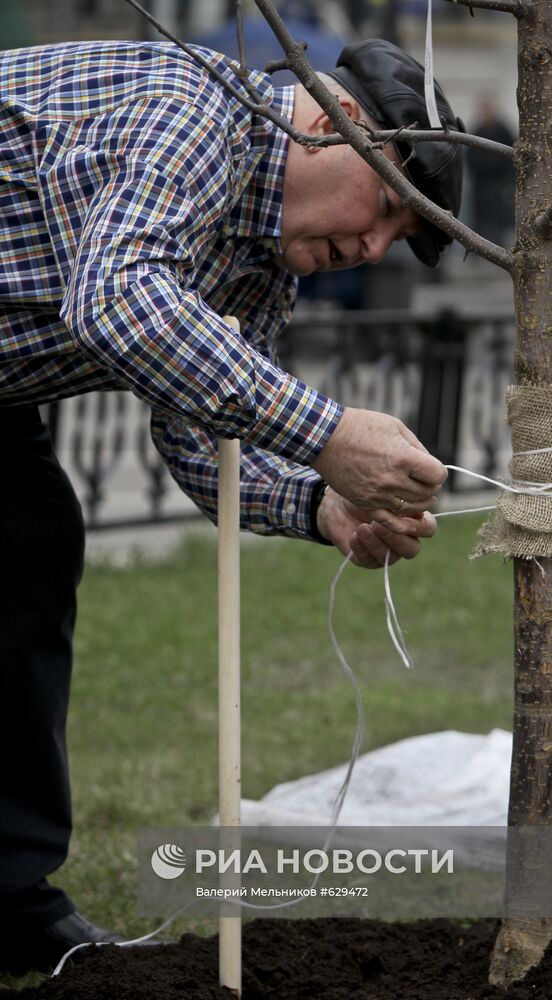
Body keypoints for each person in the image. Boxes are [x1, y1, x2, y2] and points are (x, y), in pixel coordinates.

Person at [0, 37, 463, 972]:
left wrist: (319, 510)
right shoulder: (197, 114)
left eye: (397, 242)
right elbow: (119, 301)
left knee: (30, 549)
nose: (371, 250)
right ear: (337, 126)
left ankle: (10, 900)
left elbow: (198, 444)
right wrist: (328, 433)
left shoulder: (258, 263)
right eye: (383, 209)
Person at [467, 95, 515, 247]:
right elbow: (470, 155)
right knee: (480, 215)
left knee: (499, 215)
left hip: (498, 181)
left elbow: (511, 156)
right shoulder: (478, 129)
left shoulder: (503, 130)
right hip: (481, 182)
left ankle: (498, 245)